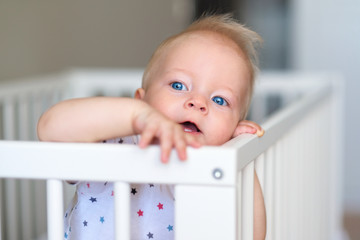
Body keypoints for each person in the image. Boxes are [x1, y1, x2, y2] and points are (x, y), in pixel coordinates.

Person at [37, 14, 266, 240]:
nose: (198, 103)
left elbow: (252, 234)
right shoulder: (113, 142)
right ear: (141, 101)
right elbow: (49, 128)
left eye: (220, 100)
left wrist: (241, 153)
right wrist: (135, 117)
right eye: (179, 85)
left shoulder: (212, 170)